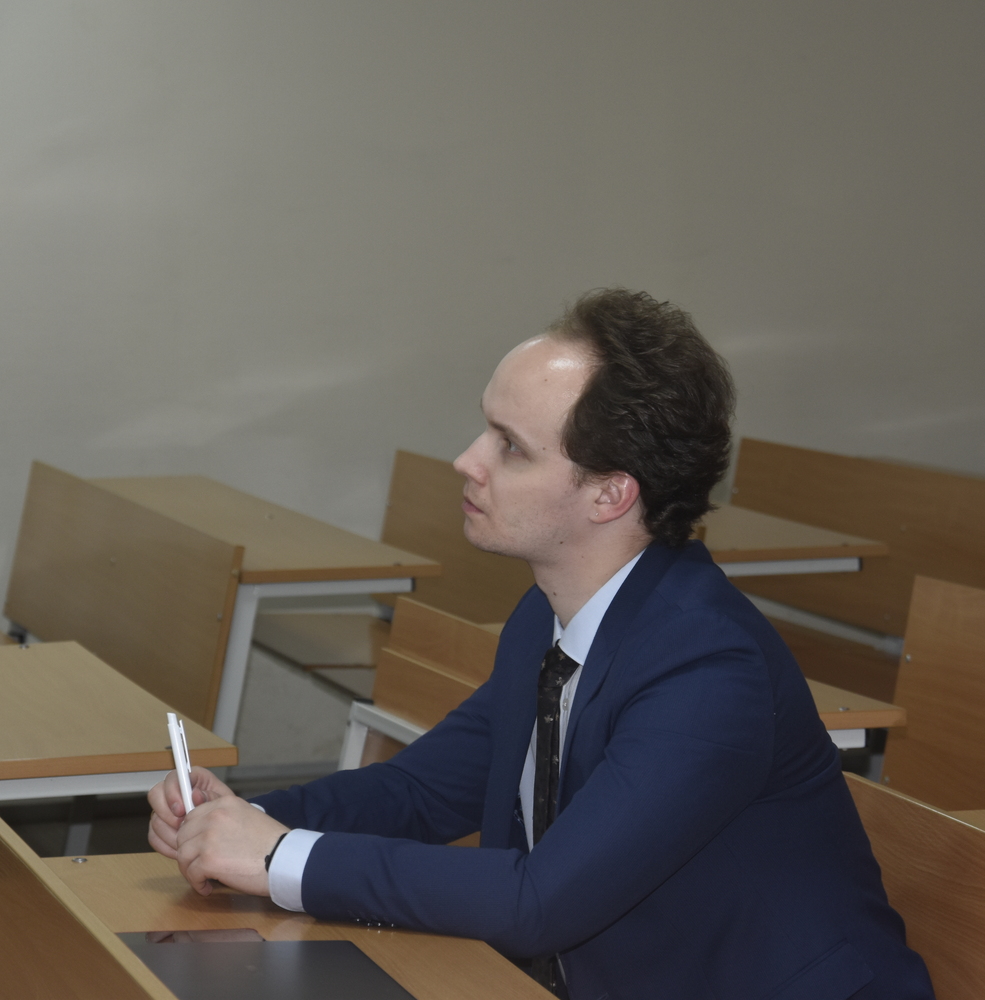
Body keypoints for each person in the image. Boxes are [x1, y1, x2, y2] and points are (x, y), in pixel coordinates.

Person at [148, 288, 936, 1000]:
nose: (467, 460)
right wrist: (241, 819)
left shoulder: (707, 669)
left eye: (510, 446)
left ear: (609, 493)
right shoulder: (547, 616)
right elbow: (422, 792)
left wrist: (279, 857)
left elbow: (539, 902)